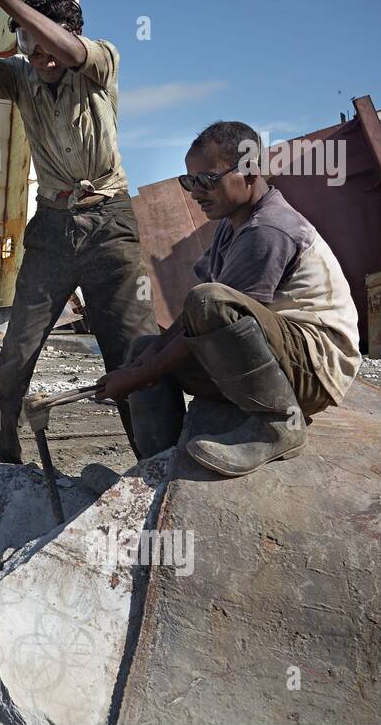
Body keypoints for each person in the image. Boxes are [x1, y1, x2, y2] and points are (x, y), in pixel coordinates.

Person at [0, 0, 162, 463]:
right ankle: (4, 449)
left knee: (133, 354)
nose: (42, 58)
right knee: (15, 356)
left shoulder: (98, 61)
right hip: (51, 228)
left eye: (49, 43)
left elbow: (67, 52)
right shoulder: (23, 76)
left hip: (108, 224)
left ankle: (158, 460)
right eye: (30, 43)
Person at [96, 121, 361, 476]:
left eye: (206, 180)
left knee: (208, 301)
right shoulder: (231, 224)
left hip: (314, 366)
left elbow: (213, 312)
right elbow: (191, 323)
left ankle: (280, 425)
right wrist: (141, 365)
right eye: (189, 182)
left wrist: (136, 379)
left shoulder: (268, 229)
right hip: (272, 357)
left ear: (249, 171)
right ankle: (157, 472)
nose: (195, 192)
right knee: (143, 347)